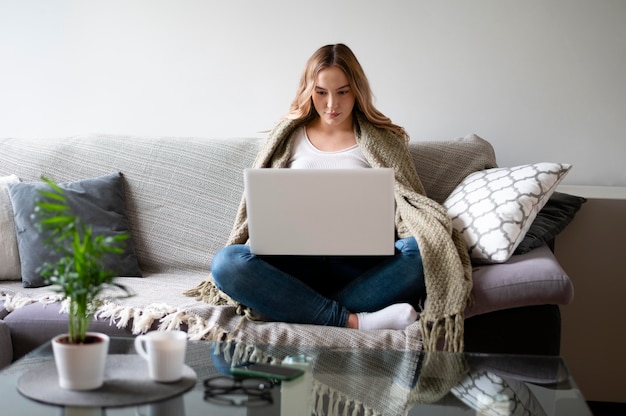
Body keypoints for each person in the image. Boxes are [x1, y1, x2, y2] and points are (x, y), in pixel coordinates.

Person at [186, 44, 472, 351]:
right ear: (308, 90)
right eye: (321, 92)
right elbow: (262, 208)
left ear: (357, 91)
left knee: (422, 252)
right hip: (295, 267)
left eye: (343, 92)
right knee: (227, 263)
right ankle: (354, 321)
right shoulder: (288, 137)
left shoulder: (385, 140)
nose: (332, 104)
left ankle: (291, 308)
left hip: (360, 268)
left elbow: (409, 205)